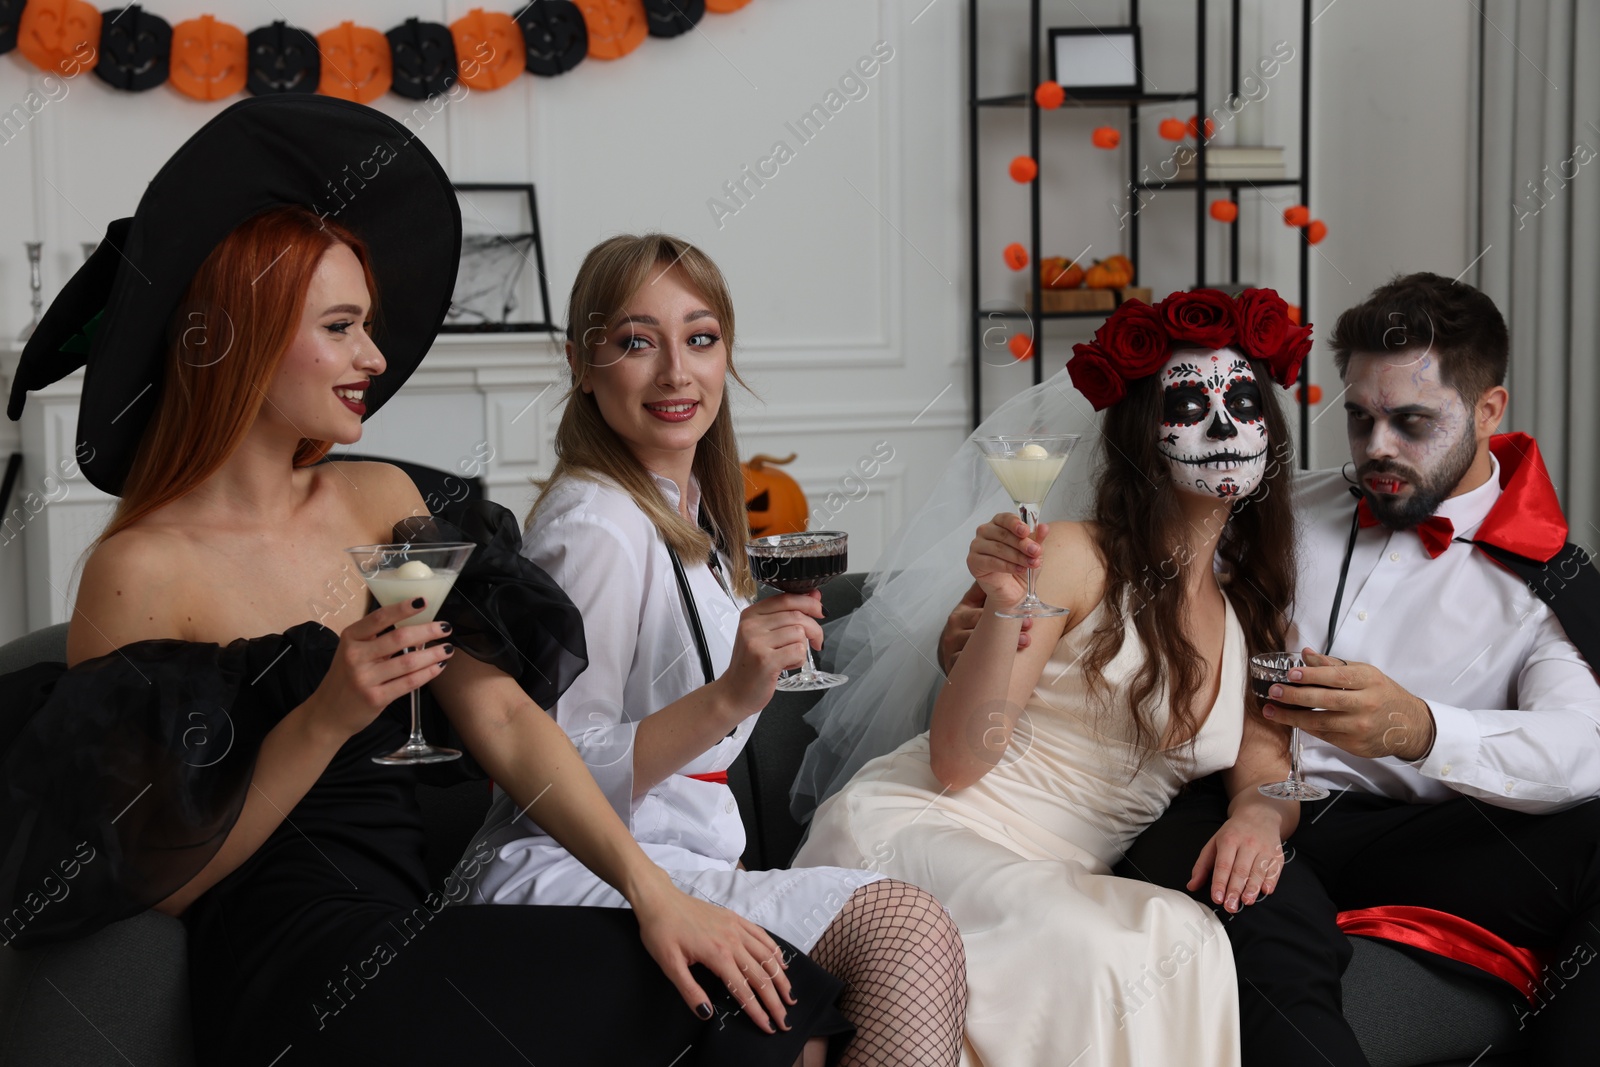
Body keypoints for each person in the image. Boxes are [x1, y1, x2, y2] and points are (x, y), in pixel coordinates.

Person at [0, 97, 852, 1066]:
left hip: (414, 922)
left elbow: (502, 722)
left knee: (765, 1008)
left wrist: (658, 894)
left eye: (369, 324)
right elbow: (154, 882)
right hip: (289, 967)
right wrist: (322, 714)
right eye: (341, 326)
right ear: (240, 334)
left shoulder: (382, 500)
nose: (374, 356)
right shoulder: (137, 568)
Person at [944, 273, 1600, 1065]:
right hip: (1233, 796)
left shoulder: (1547, 578)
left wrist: (1421, 728)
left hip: (1416, 836)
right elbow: (1122, 568)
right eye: (1360, 419)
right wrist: (981, 628)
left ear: (1489, 411)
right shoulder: (1271, 505)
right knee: (1267, 917)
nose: (1377, 447)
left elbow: (1580, 747)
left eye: (1412, 421)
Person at [468, 233, 968, 1067]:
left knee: (868, 977)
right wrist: (732, 695)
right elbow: (545, 770)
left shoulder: (684, 513)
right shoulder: (596, 524)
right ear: (582, 364)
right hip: (572, 873)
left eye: (699, 338)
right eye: (635, 342)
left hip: (679, 861)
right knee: (906, 933)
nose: (676, 372)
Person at [793, 288, 1312, 1066]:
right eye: (1189, 405)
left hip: (1054, 876)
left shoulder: (1258, 614)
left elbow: (1268, 772)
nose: (1223, 426)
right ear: (1145, 430)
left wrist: (1257, 819)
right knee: (1113, 946)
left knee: (1183, 934)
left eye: (1245, 401)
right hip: (929, 832)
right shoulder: (1073, 555)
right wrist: (1004, 610)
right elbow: (958, 760)